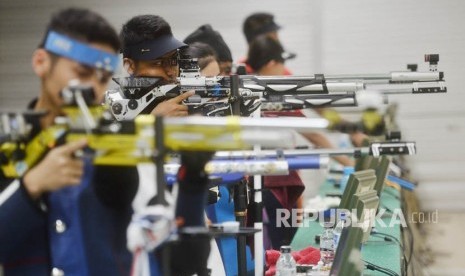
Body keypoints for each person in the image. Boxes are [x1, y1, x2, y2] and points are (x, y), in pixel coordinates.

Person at [0, 8, 139, 275]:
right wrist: (32, 185)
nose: (94, 90)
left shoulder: (114, 145)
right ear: (41, 62)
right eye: (82, 72)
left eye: (102, 79)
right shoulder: (8, 147)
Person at [119, 14, 194, 117]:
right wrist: (153, 121)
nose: (171, 72)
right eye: (158, 63)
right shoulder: (117, 106)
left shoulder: (186, 99)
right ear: (130, 66)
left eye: (173, 59)